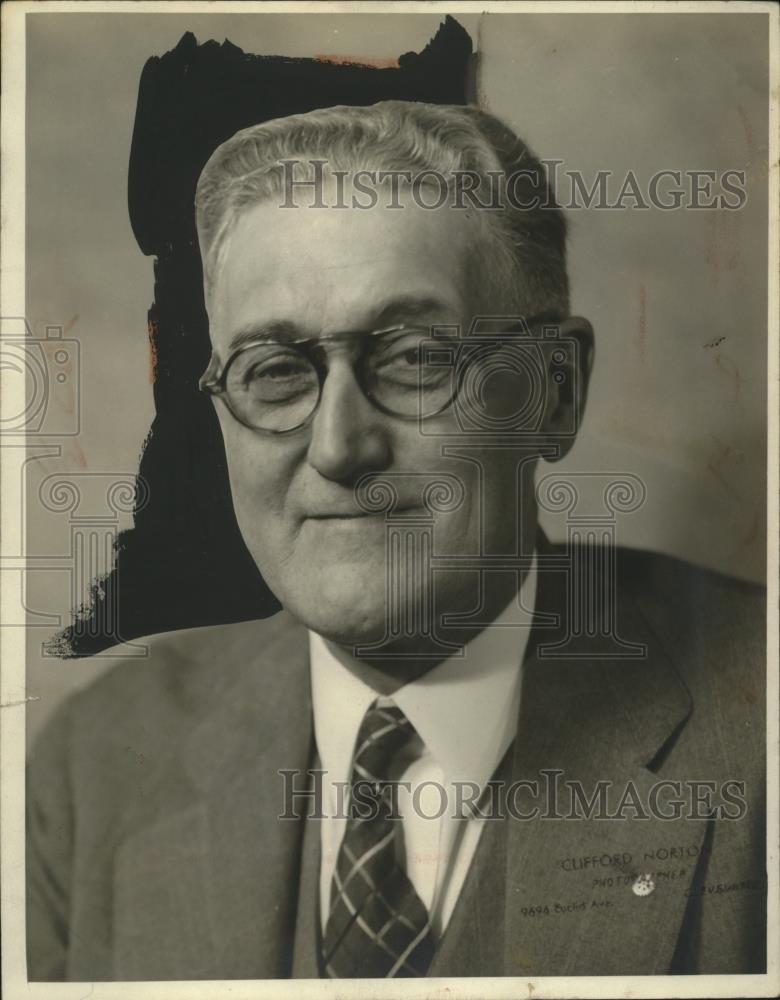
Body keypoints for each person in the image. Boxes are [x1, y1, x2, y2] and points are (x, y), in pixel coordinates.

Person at [26, 101, 766, 981]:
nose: (340, 447)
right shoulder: (94, 769)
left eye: (415, 357)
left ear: (553, 392)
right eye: (274, 371)